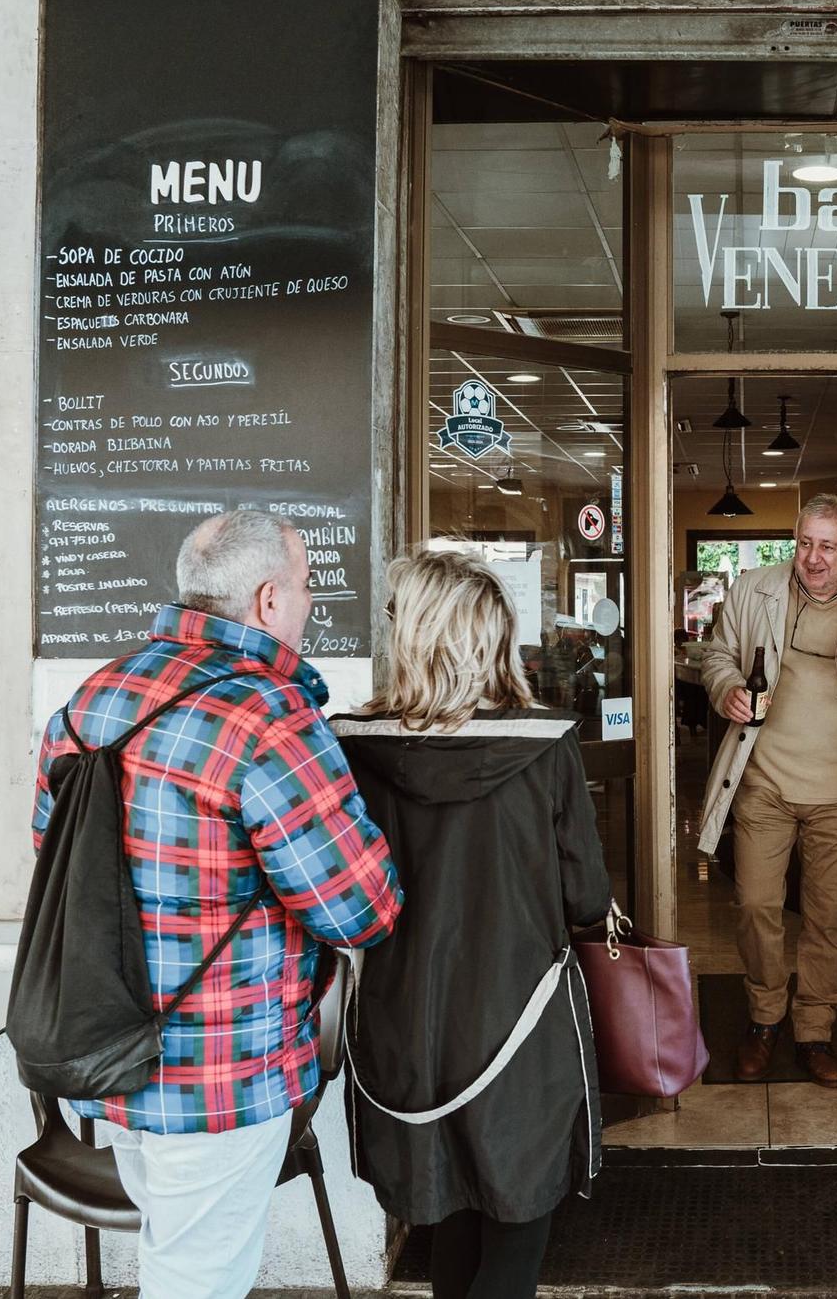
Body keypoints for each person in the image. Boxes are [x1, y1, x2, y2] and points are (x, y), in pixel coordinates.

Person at [31, 509, 403, 1299]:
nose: (309, 604)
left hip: (110, 1056)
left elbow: (53, 861)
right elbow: (357, 909)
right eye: (305, 586)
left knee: (174, 1257)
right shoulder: (269, 717)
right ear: (268, 601)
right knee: (192, 1283)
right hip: (222, 1076)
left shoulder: (92, 698)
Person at [332, 549, 611, 1299]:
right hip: (518, 1028)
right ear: (490, 639)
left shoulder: (350, 746)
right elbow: (586, 897)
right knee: (515, 1237)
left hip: (403, 1033)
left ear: (414, 638)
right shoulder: (545, 746)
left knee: (447, 1220)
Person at [696, 493, 837, 1087]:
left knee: (826, 920)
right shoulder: (753, 589)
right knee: (754, 907)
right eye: (804, 543)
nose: (814, 558)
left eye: (828, 547)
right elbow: (716, 656)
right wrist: (725, 688)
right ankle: (764, 1017)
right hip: (764, 783)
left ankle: (815, 1029)